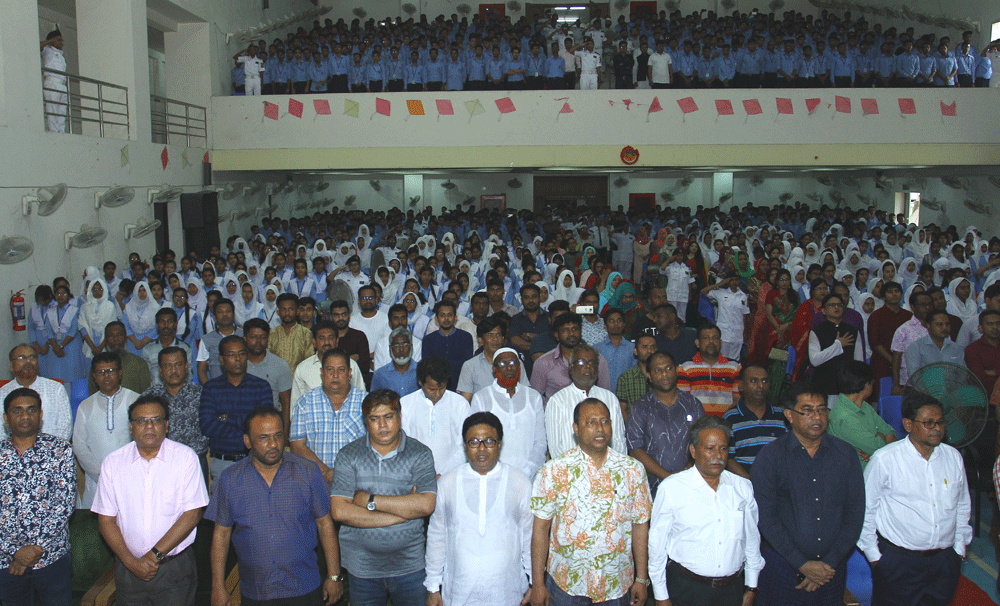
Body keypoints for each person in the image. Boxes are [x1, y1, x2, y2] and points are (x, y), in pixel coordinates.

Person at [206, 407, 344, 606]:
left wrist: (334, 576)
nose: (273, 444)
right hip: (256, 591)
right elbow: (221, 535)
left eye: (278, 436)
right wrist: (218, 586)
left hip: (304, 586)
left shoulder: (307, 472)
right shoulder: (230, 480)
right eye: (263, 438)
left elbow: (325, 524)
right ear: (247, 441)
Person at [751, 383, 865, 606]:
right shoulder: (770, 457)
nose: (817, 417)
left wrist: (828, 565)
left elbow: (855, 513)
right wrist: (802, 564)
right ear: (789, 415)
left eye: (822, 409)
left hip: (831, 571)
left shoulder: (846, 454)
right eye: (808, 410)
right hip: (783, 568)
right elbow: (766, 518)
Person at [530, 398, 652, 606]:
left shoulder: (632, 470)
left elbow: (640, 525)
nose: (600, 429)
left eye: (605, 422)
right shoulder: (554, 471)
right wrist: (538, 583)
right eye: (591, 422)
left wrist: (641, 578)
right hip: (565, 585)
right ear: (576, 429)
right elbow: (541, 529)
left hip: (616, 584)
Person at [92, 394, 209, 606]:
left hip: (174, 569)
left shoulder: (185, 458)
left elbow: (192, 515)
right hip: (128, 569)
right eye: (141, 421)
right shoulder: (113, 463)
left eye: (155, 420)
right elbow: (106, 521)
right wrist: (131, 562)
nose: (149, 426)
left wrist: (153, 556)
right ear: (130, 427)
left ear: (167, 425)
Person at [858, 392, 971, 606]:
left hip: (944, 563)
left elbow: (963, 505)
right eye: (929, 423)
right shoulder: (886, 459)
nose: (937, 428)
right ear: (908, 425)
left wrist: (958, 549)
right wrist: (875, 558)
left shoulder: (953, 457)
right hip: (899, 562)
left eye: (940, 422)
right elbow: (865, 511)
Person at [329, 389, 437, 606]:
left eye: (388, 417)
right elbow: (340, 511)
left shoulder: (420, 453)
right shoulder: (349, 455)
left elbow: (426, 503)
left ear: (399, 417)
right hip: (362, 569)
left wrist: (370, 500)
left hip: (410, 566)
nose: (383, 425)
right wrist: (401, 514)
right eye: (374, 419)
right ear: (365, 422)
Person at [648, 415, 763, 606]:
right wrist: (661, 596)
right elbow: (657, 546)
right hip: (687, 588)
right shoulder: (672, 489)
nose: (718, 456)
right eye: (710, 449)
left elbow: (751, 541)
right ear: (693, 450)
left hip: (731, 589)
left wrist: (751, 587)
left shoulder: (742, 488)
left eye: (723, 448)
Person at [425, 411, 533, 606]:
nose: (481, 448)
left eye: (489, 441)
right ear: (465, 446)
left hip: (507, 591)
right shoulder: (447, 483)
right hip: (459, 591)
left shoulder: (520, 482)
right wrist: (433, 586)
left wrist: (534, 581)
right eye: (474, 441)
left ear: (499, 444)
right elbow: (436, 536)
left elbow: (529, 536)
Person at [0, 387, 76, 606]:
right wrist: (15, 551)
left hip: (52, 558)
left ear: (40, 415)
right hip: (6, 560)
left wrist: (33, 551)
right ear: (6, 418)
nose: (25, 416)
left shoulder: (60, 450)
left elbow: (64, 505)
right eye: (17, 411)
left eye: (31, 410)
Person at [626, 351, 706, 495]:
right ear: (649, 375)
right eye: (658, 370)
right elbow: (635, 450)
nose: (664, 374)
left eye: (668, 368)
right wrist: (669, 478)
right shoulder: (640, 407)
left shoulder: (693, 404)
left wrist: (687, 471)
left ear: (676, 370)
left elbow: (703, 442)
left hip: (690, 483)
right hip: (651, 487)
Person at [199, 336, 274, 483]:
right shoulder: (211, 388)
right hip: (222, 464)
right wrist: (246, 427)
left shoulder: (261, 386)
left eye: (241, 354)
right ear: (221, 359)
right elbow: (207, 426)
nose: (238, 359)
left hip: (255, 462)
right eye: (232, 355)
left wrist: (226, 418)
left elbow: (262, 426)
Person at [290, 348, 366, 484]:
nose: (335, 375)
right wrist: (326, 473)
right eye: (330, 370)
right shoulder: (305, 403)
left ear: (349, 373)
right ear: (322, 373)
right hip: (316, 481)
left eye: (341, 370)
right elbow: (297, 446)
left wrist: (345, 475)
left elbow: (375, 445)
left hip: (357, 482)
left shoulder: (366, 403)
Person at [73, 352, 138, 509]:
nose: (106, 376)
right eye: (101, 372)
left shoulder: (136, 400)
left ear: (120, 373)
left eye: (111, 371)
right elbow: (79, 445)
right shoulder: (85, 406)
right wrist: (100, 474)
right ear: (94, 376)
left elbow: (142, 441)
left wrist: (125, 472)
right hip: (96, 480)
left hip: (130, 477)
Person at [470, 347, 547, 479]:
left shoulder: (534, 397)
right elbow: (478, 442)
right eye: (502, 364)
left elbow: (540, 442)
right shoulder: (481, 398)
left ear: (519, 367)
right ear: (494, 369)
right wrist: (499, 472)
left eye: (512, 363)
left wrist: (526, 472)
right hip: (493, 476)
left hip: (529, 476)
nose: (509, 368)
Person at [546, 344, 627, 458]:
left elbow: (620, 444)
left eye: (592, 362)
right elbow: (555, 451)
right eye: (581, 362)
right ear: (570, 367)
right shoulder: (557, 401)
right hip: (571, 471)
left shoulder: (610, 398)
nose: (588, 366)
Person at [142, 346, 209, 484]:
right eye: (168, 366)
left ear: (186, 366)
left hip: (195, 461)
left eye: (178, 365)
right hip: (160, 464)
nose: (173, 371)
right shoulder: (149, 397)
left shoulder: (202, 394)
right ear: (160, 369)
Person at [399, 355, 469, 476]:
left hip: (453, 474)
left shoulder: (460, 404)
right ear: (420, 382)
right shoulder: (405, 403)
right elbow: (404, 444)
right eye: (431, 389)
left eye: (442, 388)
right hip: (416, 474)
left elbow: (464, 446)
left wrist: (443, 474)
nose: (437, 394)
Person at [827, 361, 897, 470]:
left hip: (875, 469)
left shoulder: (864, 406)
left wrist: (879, 445)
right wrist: (881, 438)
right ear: (866, 385)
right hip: (857, 478)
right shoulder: (844, 417)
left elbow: (890, 432)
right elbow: (879, 448)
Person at [531, 312, 612, 403]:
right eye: (565, 330)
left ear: (581, 332)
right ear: (557, 335)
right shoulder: (543, 363)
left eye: (575, 329)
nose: (571, 333)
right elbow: (535, 398)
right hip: (556, 414)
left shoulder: (597, 360)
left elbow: (605, 394)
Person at [722, 365, 786, 475]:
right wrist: (750, 484)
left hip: (778, 486)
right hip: (743, 485)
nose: (761, 385)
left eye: (765, 381)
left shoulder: (782, 416)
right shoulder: (730, 418)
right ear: (741, 386)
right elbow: (728, 458)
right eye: (753, 381)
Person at [0, 345, 71, 441]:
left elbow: (65, 426)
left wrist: (52, 450)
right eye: (22, 358)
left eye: (32, 357)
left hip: (52, 450)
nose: (28, 361)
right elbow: (1, 431)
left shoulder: (55, 388)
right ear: (11, 366)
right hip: (13, 452)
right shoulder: (3, 393)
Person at [290, 320, 364, 405]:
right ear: (314, 342)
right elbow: (296, 404)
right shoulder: (302, 368)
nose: (326, 342)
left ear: (337, 341)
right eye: (322, 338)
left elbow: (361, 397)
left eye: (330, 338)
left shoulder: (351, 365)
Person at [678, 324, 741, 416]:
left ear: (721, 343)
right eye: (706, 338)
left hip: (726, 422)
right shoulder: (685, 367)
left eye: (715, 338)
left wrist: (726, 418)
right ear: (697, 343)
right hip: (697, 423)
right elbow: (684, 400)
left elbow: (737, 399)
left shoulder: (734, 367)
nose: (711, 341)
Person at [457, 317, 526, 400]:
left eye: (498, 335)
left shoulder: (515, 363)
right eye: (490, 335)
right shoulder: (470, 366)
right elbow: (466, 402)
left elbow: (525, 394)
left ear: (503, 339)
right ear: (480, 340)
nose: (495, 339)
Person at [808, 293, 863, 396]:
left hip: (847, 385)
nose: (836, 307)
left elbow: (859, 362)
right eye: (832, 305)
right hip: (823, 384)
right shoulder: (817, 331)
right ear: (823, 310)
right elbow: (815, 360)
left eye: (839, 305)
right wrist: (837, 345)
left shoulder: (853, 331)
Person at [243, 318, 293, 426]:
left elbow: (286, 403)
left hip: (269, 425)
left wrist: (285, 433)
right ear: (245, 338)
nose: (258, 341)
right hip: (241, 425)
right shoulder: (238, 364)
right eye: (253, 337)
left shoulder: (280, 365)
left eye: (263, 337)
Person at [867, 281, 911, 397]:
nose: (894, 294)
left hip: (906, 364)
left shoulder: (908, 316)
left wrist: (901, 362)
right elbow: (874, 342)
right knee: (881, 398)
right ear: (883, 296)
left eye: (897, 291)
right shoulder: (876, 316)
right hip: (882, 363)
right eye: (890, 292)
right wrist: (893, 360)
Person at [89, 321, 152, 395]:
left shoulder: (139, 363)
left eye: (119, 335)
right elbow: (93, 395)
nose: (116, 339)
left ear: (125, 337)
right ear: (106, 339)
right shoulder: (98, 365)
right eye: (111, 336)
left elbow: (146, 393)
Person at [423, 301, 474, 391]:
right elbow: (428, 366)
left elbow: (467, 364)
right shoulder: (428, 340)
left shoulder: (466, 337)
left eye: (449, 315)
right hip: (436, 387)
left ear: (455, 318)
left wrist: (439, 364)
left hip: (461, 386)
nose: (446, 319)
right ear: (436, 318)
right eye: (442, 315)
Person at [890, 290, 933, 394]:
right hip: (909, 384)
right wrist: (896, 384)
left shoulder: (937, 328)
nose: (927, 308)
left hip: (934, 383)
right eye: (923, 305)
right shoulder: (903, 330)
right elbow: (896, 359)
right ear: (913, 307)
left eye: (929, 304)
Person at [702, 272, 750, 361]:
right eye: (731, 280)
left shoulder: (743, 296)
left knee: (734, 359)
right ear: (727, 281)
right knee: (721, 358)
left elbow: (745, 315)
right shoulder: (720, 293)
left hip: (737, 332)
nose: (734, 282)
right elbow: (703, 291)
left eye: (736, 279)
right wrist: (720, 284)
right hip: (723, 332)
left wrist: (746, 332)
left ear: (739, 281)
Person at [197, 298, 243, 384]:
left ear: (233, 315)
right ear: (215, 317)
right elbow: (201, 370)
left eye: (228, 311)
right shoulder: (206, 340)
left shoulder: (244, 336)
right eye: (220, 312)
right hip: (217, 390)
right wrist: (209, 390)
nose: (225, 314)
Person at [905, 309, 965, 373]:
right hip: (926, 383)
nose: (944, 328)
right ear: (928, 325)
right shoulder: (916, 348)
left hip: (953, 383)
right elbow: (914, 376)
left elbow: (962, 374)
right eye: (939, 324)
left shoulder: (956, 348)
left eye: (947, 324)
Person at [142, 308, 192, 384]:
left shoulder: (184, 348)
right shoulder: (148, 349)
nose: (166, 325)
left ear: (175, 324)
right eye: (162, 322)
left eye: (170, 322)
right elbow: (145, 378)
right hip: (155, 394)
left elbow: (188, 375)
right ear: (157, 324)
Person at [508, 283, 549, 376]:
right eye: (526, 297)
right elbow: (515, 341)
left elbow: (552, 342)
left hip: (548, 368)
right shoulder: (516, 319)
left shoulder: (549, 318)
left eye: (534, 297)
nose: (530, 300)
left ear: (539, 298)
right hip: (523, 368)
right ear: (522, 300)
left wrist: (528, 336)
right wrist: (540, 345)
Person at [269, 293, 315, 375]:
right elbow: (268, 360)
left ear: (297, 311)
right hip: (276, 382)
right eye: (283, 309)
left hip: (298, 382)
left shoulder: (306, 333)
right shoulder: (272, 333)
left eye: (291, 309)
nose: (287, 313)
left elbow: (310, 361)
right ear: (278, 312)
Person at [615, 333, 657, 414]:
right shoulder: (625, 378)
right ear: (636, 351)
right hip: (633, 424)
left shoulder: (662, 376)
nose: (649, 351)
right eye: (644, 347)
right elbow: (622, 411)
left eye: (652, 347)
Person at [329, 299, 372, 377]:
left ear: (349, 316)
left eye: (344, 314)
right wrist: (349, 359)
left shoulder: (359, 336)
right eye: (336, 315)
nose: (340, 318)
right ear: (331, 317)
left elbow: (364, 367)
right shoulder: (328, 338)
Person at [371, 327, 419, 396]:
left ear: (411, 347)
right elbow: (374, 401)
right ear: (390, 349)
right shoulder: (380, 375)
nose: (401, 350)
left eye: (405, 345)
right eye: (396, 346)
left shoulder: (422, 372)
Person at [595, 308, 635, 390]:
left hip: (627, 396)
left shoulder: (633, 348)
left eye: (619, 321)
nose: (616, 324)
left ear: (624, 325)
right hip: (603, 396)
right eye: (611, 321)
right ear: (605, 326)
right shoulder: (596, 349)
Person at [41, 30, 68, 133]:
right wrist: (50, 41)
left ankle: (61, 131)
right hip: (52, 83)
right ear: (52, 41)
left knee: (61, 111)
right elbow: (38, 46)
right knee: (53, 110)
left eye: (62, 40)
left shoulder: (61, 55)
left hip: (62, 84)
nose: (61, 42)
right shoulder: (48, 50)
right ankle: (53, 132)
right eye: (58, 40)